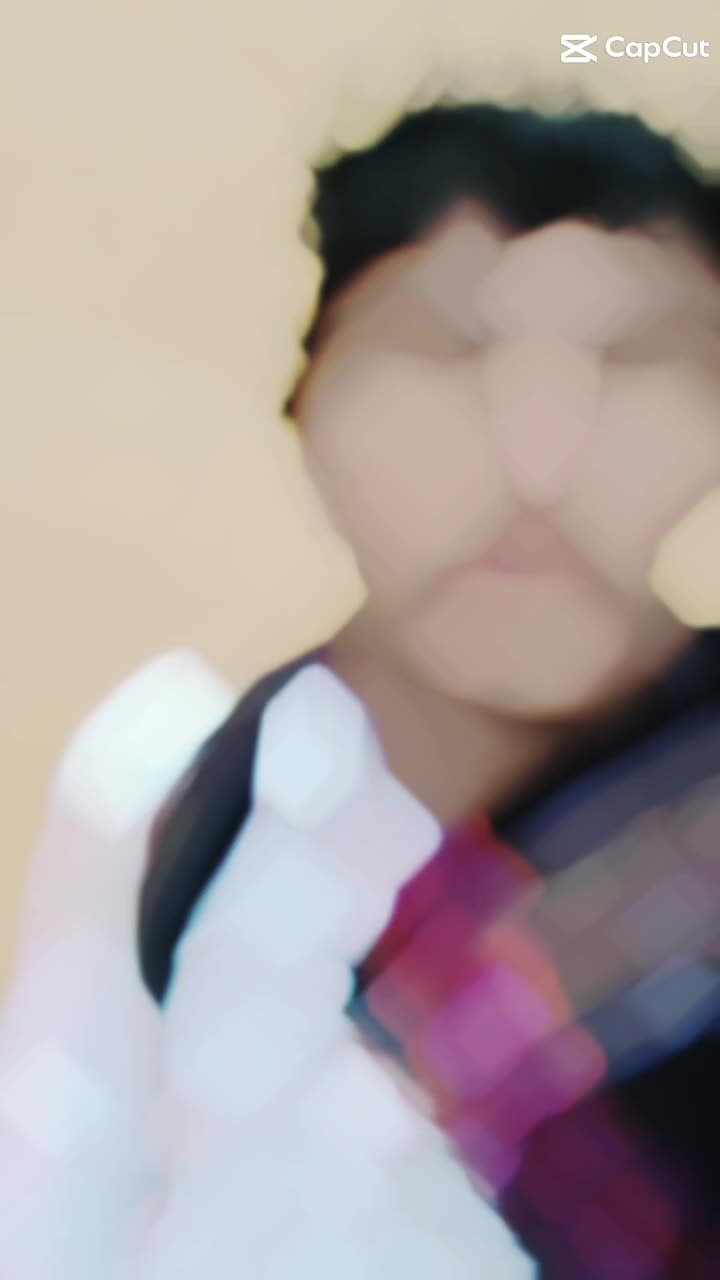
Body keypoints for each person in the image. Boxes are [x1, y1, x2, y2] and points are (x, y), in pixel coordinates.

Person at [3, 99, 720, 1278]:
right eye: (447, 346)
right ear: (308, 401)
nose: (539, 455)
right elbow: (54, 1209)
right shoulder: (177, 782)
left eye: (633, 357)